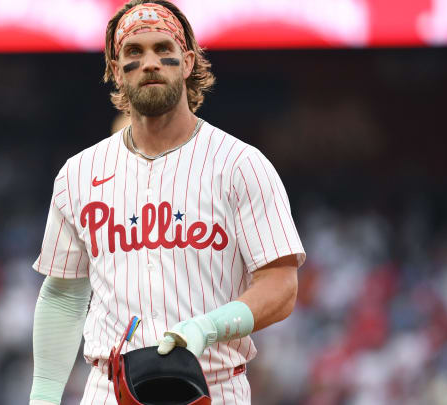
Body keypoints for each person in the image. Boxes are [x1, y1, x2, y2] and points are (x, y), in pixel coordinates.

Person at [29, 1, 305, 404]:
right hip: (110, 390)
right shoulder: (79, 173)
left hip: (213, 385)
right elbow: (64, 294)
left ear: (188, 61)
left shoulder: (241, 165)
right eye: (134, 53)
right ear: (114, 68)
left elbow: (281, 286)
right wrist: (44, 395)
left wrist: (208, 328)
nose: (150, 63)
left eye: (163, 49)